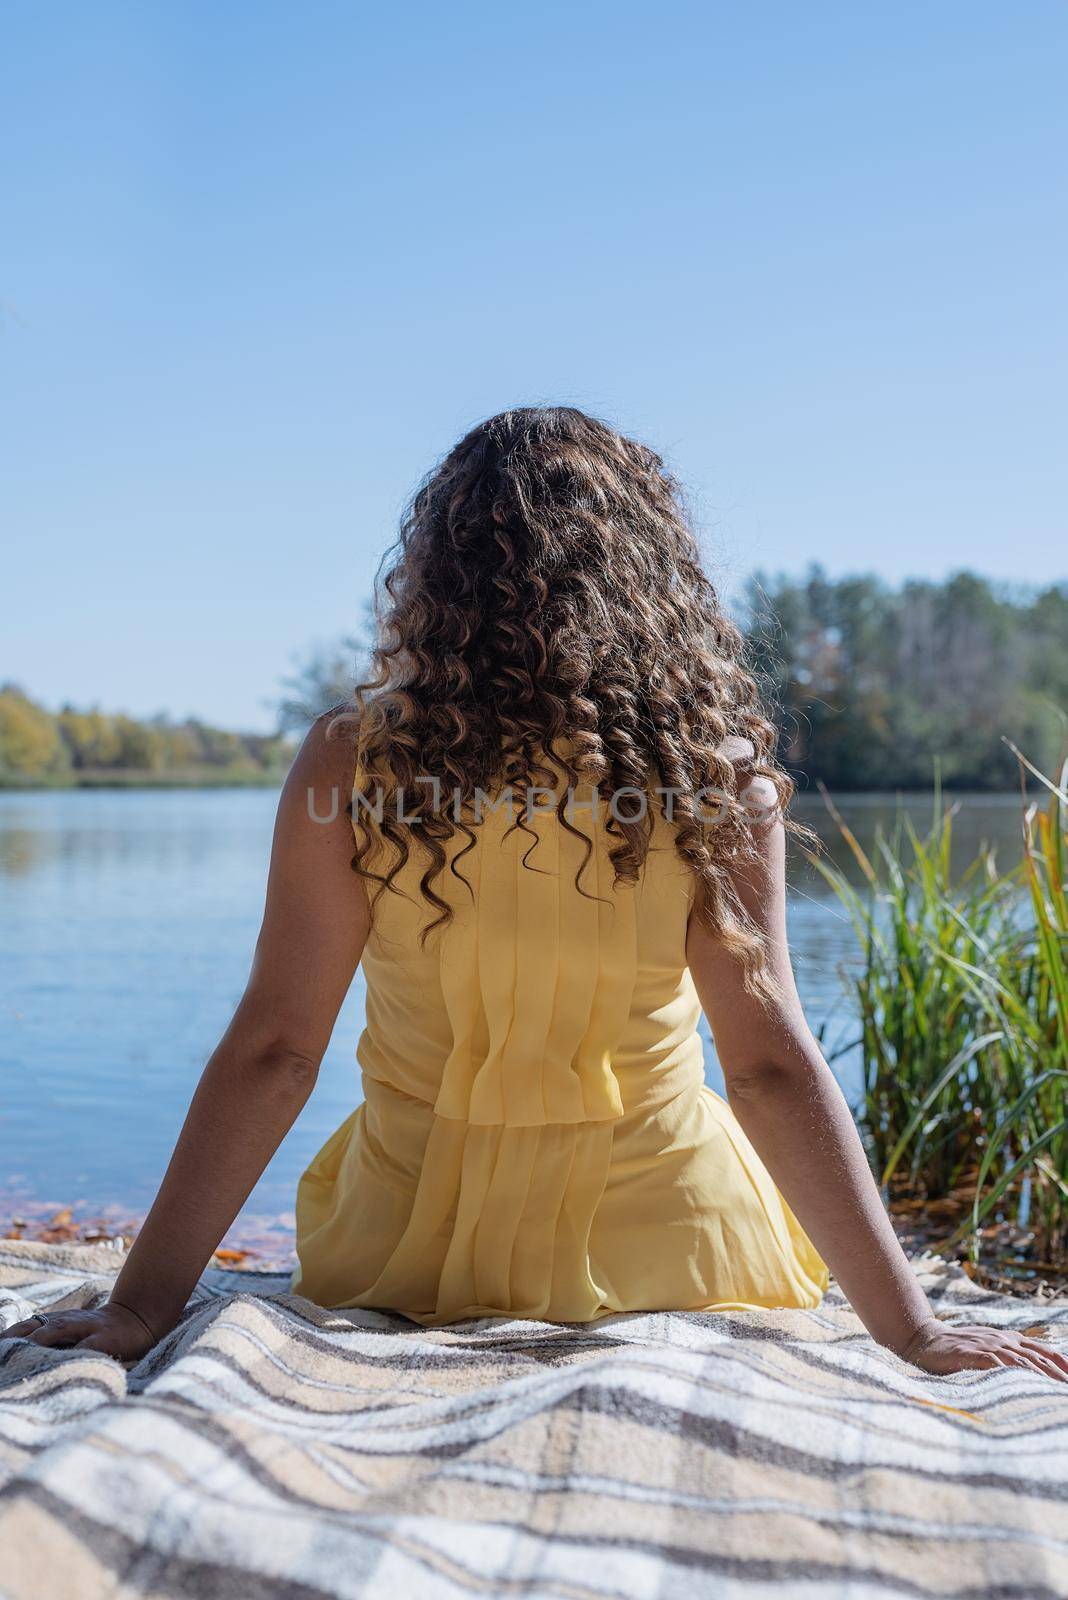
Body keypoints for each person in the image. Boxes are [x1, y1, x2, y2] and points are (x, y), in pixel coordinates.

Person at [5, 407, 1065, 1382]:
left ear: (436, 579)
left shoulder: (353, 764)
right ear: (652, 582)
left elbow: (279, 1048)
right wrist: (912, 1329)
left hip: (406, 1250)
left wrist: (143, 1306)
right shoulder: (711, 773)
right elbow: (769, 1062)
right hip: (672, 1243)